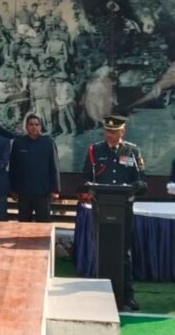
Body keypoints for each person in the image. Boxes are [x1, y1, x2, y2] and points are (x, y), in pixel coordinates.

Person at [82, 115, 147, 312]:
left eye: (113, 131)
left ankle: (127, 295)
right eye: (107, 131)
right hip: (101, 208)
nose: (109, 134)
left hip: (123, 208)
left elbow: (141, 180)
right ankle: (99, 293)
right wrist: (89, 190)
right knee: (102, 249)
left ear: (122, 132)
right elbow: (86, 178)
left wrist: (131, 188)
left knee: (124, 252)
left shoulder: (132, 151)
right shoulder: (95, 150)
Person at [9, 114, 60, 222]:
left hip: (42, 191)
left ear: (40, 127)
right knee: (23, 223)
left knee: (43, 223)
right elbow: (13, 167)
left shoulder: (48, 142)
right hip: (23, 191)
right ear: (26, 127)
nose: (34, 127)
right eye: (31, 124)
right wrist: (13, 189)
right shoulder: (18, 143)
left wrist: (55, 189)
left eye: (37, 124)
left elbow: (54, 166)